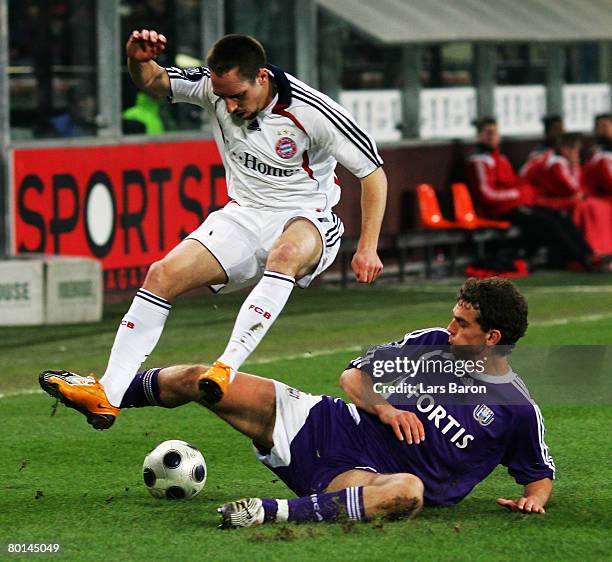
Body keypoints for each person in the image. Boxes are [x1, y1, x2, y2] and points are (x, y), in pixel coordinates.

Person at [39, 30, 387, 429]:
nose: (230, 105)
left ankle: (225, 367)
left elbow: (373, 175)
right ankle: (108, 394)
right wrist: (136, 58)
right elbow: (153, 80)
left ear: (262, 77)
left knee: (285, 255)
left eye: (238, 95)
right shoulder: (212, 87)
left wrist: (368, 246)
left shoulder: (314, 111)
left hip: (307, 216)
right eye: (223, 97)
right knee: (161, 274)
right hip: (243, 215)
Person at [41, 277, 555, 527]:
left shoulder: (516, 410)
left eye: (461, 325)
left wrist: (536, 498)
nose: (448, 329)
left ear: (491, 339)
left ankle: (268, 512)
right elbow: (353, 378)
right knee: (206, 378)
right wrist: (386, 407)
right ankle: (103, 393)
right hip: (325, 424)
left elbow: (538, 472)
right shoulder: (428, 346)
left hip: (364, 481)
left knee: (408, 492)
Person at [466, 117, 597, 270]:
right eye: (488, 133)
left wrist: (523, 192)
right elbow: (486, 194)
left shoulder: (500, 158)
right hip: (500, 211)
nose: (492, 136)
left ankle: (588, 255)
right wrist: (518, 194)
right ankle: (581, 260)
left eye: (495, 132)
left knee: (560, 215)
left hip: (516, 206)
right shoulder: (480, 161)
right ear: (479, 136)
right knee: (548, 221)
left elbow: (516, 182)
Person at [584, 113, 612, 198]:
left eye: (606, 126)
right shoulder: (598, 156)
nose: (604, 130)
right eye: (601, 127)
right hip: (602, 200)